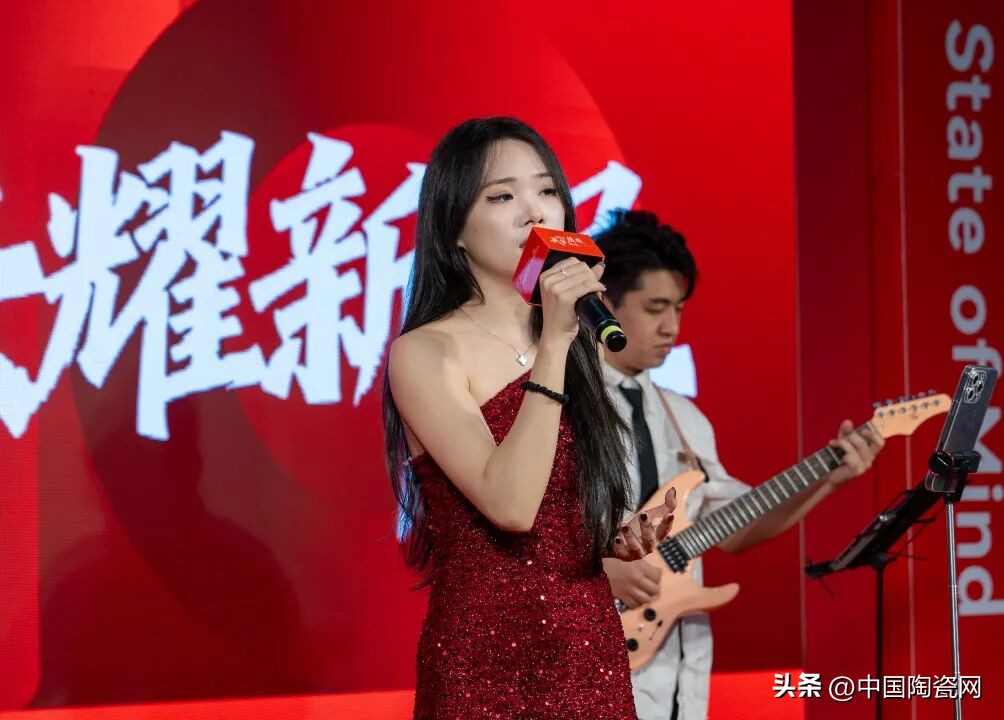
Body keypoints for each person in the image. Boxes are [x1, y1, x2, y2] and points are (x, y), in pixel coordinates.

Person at [382, 118, 678, 720]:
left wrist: (614, 534)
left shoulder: (578, 337)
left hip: (588, 649)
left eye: (546, 190)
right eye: (501, 196)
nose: (534, 212)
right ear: (454, 227)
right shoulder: (425, 352)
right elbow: (512, 506)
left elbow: (556, 503)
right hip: (484, 662)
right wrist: (554, 347)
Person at [594, 210, 884, 720]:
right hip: (589, 663)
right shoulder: (565, 406)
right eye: (655, 308)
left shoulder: (685, 417)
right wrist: (596, 574)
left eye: (679, 308)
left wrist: (828, 481)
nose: (671, 327)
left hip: (681, 673)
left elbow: (733, 529)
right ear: (604, 305)